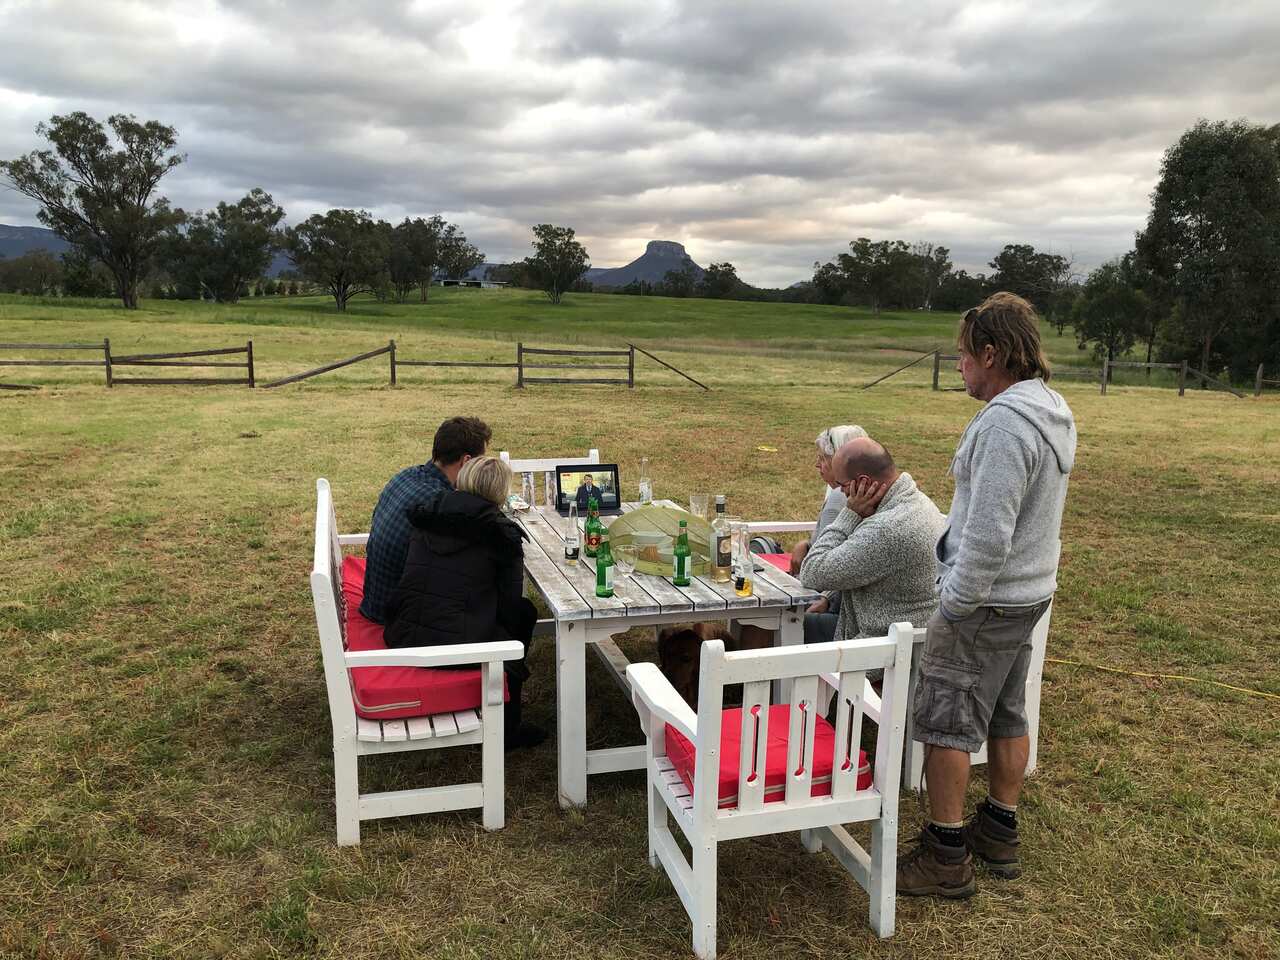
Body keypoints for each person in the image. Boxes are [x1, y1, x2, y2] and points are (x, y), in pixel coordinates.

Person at [897, 292, 1076, 899]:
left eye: (965, 357)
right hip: (1028, 595)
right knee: (1007, 710)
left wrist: (954, 602)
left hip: (986, 600)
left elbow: (991, 533)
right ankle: (999, 831)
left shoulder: (1003, 423)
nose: (962, 369)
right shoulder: (1050, 408)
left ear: (993, 354)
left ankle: (946, 855)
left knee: (946, 720)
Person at [383, 456, 547, 749]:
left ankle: (506, 710)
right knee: (523, 614)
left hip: (404, 633)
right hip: (454, 646)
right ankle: (508, 726)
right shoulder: (501, 534)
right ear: (500, 491)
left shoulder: (428, 515)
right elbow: (510, 605)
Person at [798, 437, 944, 647]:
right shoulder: (914, 501)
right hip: (901, 637)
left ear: (863, 483)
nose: (843, 493)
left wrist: (849, 514)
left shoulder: (887, 528)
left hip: (878, 651)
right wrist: (830, 597)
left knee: (779, 629)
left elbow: (812, 572)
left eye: (842, 485)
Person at [359, 416, 491, 625]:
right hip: (396, 615)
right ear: (466, 461)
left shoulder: (406, 475)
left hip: (375, 598)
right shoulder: (440, 503)